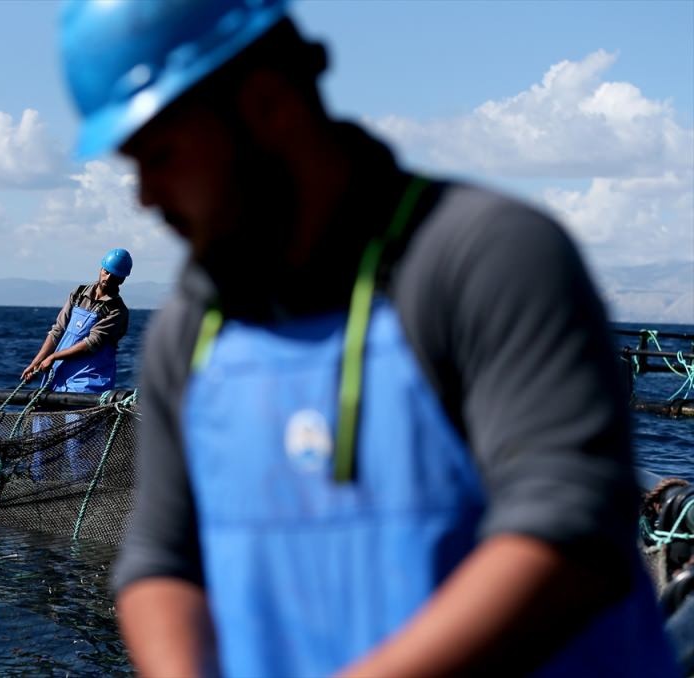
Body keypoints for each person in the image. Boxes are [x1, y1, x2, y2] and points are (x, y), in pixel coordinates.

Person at [58, 1, 679, 676]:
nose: (145, 195)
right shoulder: (191, 329)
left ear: (266, 101)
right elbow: (161, 560)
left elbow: (569, 532)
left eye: (162, 153)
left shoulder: (489, 261)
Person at [21, 248, 132, 479]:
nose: (108, 278)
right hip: (58, 379)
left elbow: (92, 342)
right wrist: (37, 360)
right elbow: (57, 331)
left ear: (123, 279)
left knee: (80, 448)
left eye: (115, 275)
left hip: (87, 383)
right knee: (44, 441)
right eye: (106, 271)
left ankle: (81, 498)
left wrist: (54, 358)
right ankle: (41, 491)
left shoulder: (117, 311)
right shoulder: (78, 293)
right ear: (101, 268)